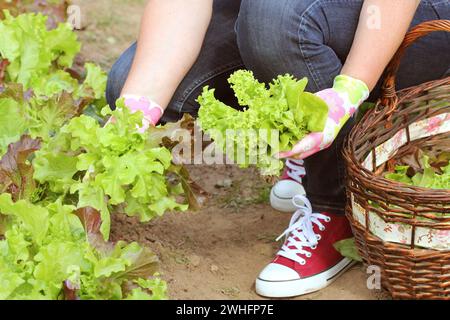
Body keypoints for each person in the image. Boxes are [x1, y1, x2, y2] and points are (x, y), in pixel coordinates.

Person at [106, 0, 450, 298]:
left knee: (275, 20)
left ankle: (334, 206)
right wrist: (137, 107)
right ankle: (303, 131)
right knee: (130, 82)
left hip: (407, 17)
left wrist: (349, 90)